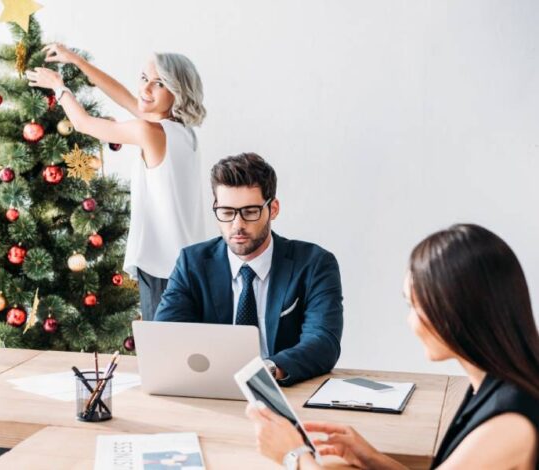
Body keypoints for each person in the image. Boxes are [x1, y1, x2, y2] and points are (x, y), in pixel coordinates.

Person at [246, 224, 539, 469]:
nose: (410, 321)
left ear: (458, 310)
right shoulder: (491, 387)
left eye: (415, 305)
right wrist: (371, 458)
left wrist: (294, 455)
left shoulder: (507, 423)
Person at [26, 44, 207, 321]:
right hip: (188, 265)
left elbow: (85, 124)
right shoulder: (184, 133)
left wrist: (58, 87)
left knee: (162, 350)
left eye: (158, 84)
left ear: (178, 92)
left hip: (163, 267)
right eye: (144, 78)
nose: (145, 90)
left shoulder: (150, 131)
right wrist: (77, 61)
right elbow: (124, 97)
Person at [154, 152, 343, 385]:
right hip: (211, 390)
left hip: (282, 390)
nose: (237, 225)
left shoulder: (315, 264)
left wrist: (268, 370)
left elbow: (323, 342)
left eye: (250, 212)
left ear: (272, 209)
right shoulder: (191, 263)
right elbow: (166, 335)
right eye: (226, 212)